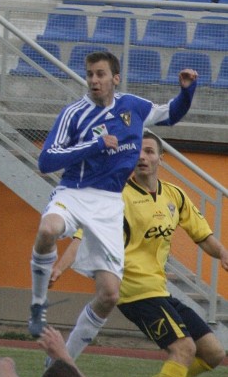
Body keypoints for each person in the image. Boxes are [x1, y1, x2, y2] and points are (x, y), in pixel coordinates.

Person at [52, 131, 228, 377]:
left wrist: (223, 253)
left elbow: (203, 236)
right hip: (133, 290)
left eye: (149, 152)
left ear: (162, 158)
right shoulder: (116, 196)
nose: (143, 158)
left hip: (159, 289)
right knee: (183, 348)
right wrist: (60, 266)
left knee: (213, 352)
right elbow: (83, 235)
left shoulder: (175, 196)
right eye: (137, 153)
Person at [27, 50, 198, 360]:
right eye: (90, 74)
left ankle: (61, 363)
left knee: (108, 295)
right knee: (48, 228)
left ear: (115, 79)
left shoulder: (132, 106)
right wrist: (93, 144)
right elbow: (45, 161)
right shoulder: (73, 113)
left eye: (101, 74)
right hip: (75, 192)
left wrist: (187, 92)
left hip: (109, 204)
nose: (94, 80)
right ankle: (38, 304)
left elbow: (170, 114)